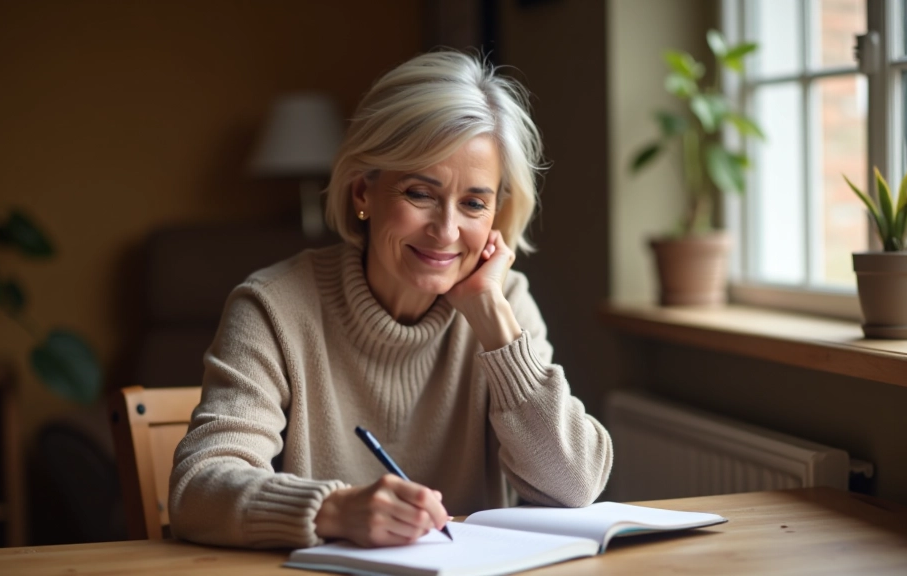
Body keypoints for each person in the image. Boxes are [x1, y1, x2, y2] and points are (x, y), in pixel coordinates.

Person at [169, 49, 613, 550]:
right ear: (363, 192)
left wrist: (494, 325)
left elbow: (576, 484)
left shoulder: (503, 302)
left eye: (473, 203)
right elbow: (197, 490)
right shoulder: (273, 307)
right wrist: (333, 511)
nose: (446, 231)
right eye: (420, 193)